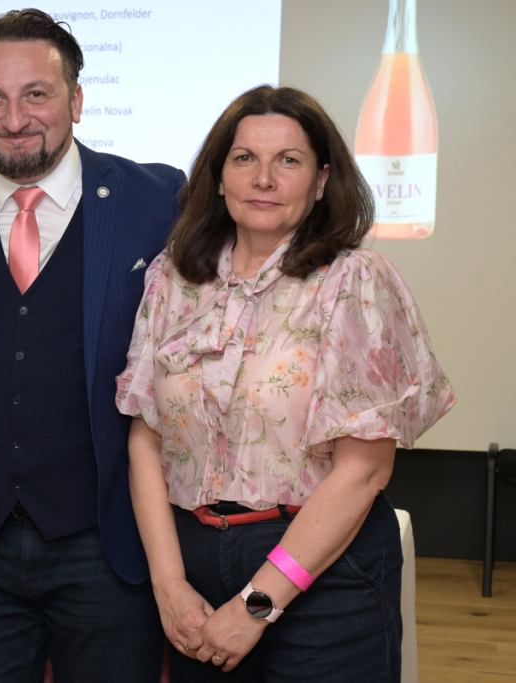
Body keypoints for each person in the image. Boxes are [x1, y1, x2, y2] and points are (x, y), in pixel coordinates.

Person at [117, 85, 455, 682]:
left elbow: (365, 469)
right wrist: (169, 586)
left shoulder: (353, 281)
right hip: (194, 569)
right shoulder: (172, 278)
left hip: (324, 573)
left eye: (289, 160)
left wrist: (258, 603)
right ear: (218, 177)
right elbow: (146, 437)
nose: (264, 178)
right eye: (245, 158)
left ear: (322, 181)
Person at [0, 9, 185, 683]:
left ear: (76, 101)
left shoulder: (156, 199)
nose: (13, 118)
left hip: (106, 542)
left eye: (36, 94)